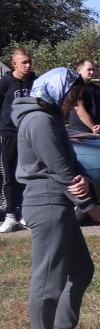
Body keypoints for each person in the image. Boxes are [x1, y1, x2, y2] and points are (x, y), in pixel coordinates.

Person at [14, 68, 100, 329]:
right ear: (57, 90)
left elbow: (70, 164)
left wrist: (82, 181)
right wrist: (89, 203)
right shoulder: (39, 120)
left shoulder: (50, 117)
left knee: (81, 270)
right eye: (73, 95)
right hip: (47, 203)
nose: (75, 101)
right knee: (48, 277)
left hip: (59, 201)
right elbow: (59, 168)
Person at [0, 45, 35, 233]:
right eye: (24, 63)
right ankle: (10, 215)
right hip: (10, 134)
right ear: (14, 64)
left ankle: (25, 214)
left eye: (30, 62)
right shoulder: (5, 82)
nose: (28, 66)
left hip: (30, 133)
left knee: (29, 173)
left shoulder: (35, 82)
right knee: (10, 174)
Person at [68, 57, 100, 136]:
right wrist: (93, 128)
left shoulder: (98, 89)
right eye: (89, 69)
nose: (92, 72)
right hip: (80, 132)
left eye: (93, 70)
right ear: (79, 71)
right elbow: (80, 110)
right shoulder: (75, 87)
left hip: (97, 132)